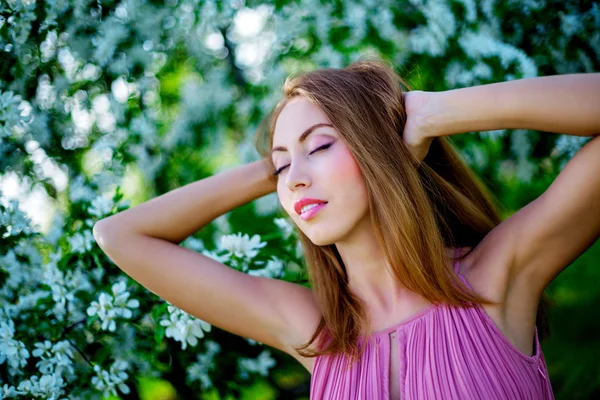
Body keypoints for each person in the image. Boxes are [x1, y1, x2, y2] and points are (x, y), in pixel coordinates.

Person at [93, 59, 600, 399]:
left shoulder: (496, 278)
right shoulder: (316, 332)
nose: (295, 179)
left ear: (383, 145)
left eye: (319, 147)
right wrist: (273, 167)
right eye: (281, 167)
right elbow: (120, 236)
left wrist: (432, 113)